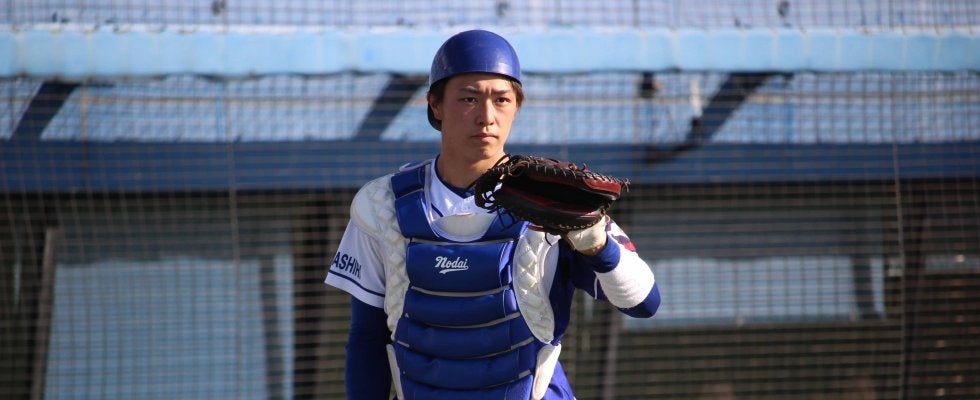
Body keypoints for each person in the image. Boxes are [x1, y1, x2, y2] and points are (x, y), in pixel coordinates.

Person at [325, 29, 661, 400]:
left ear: (517, 106)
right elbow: (367, 336)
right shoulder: (382, 204)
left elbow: (644, 303)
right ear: (435, 105)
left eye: (501, 100)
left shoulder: (558, 199)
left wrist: (596, 243)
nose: (486, 117)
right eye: (469, 98)